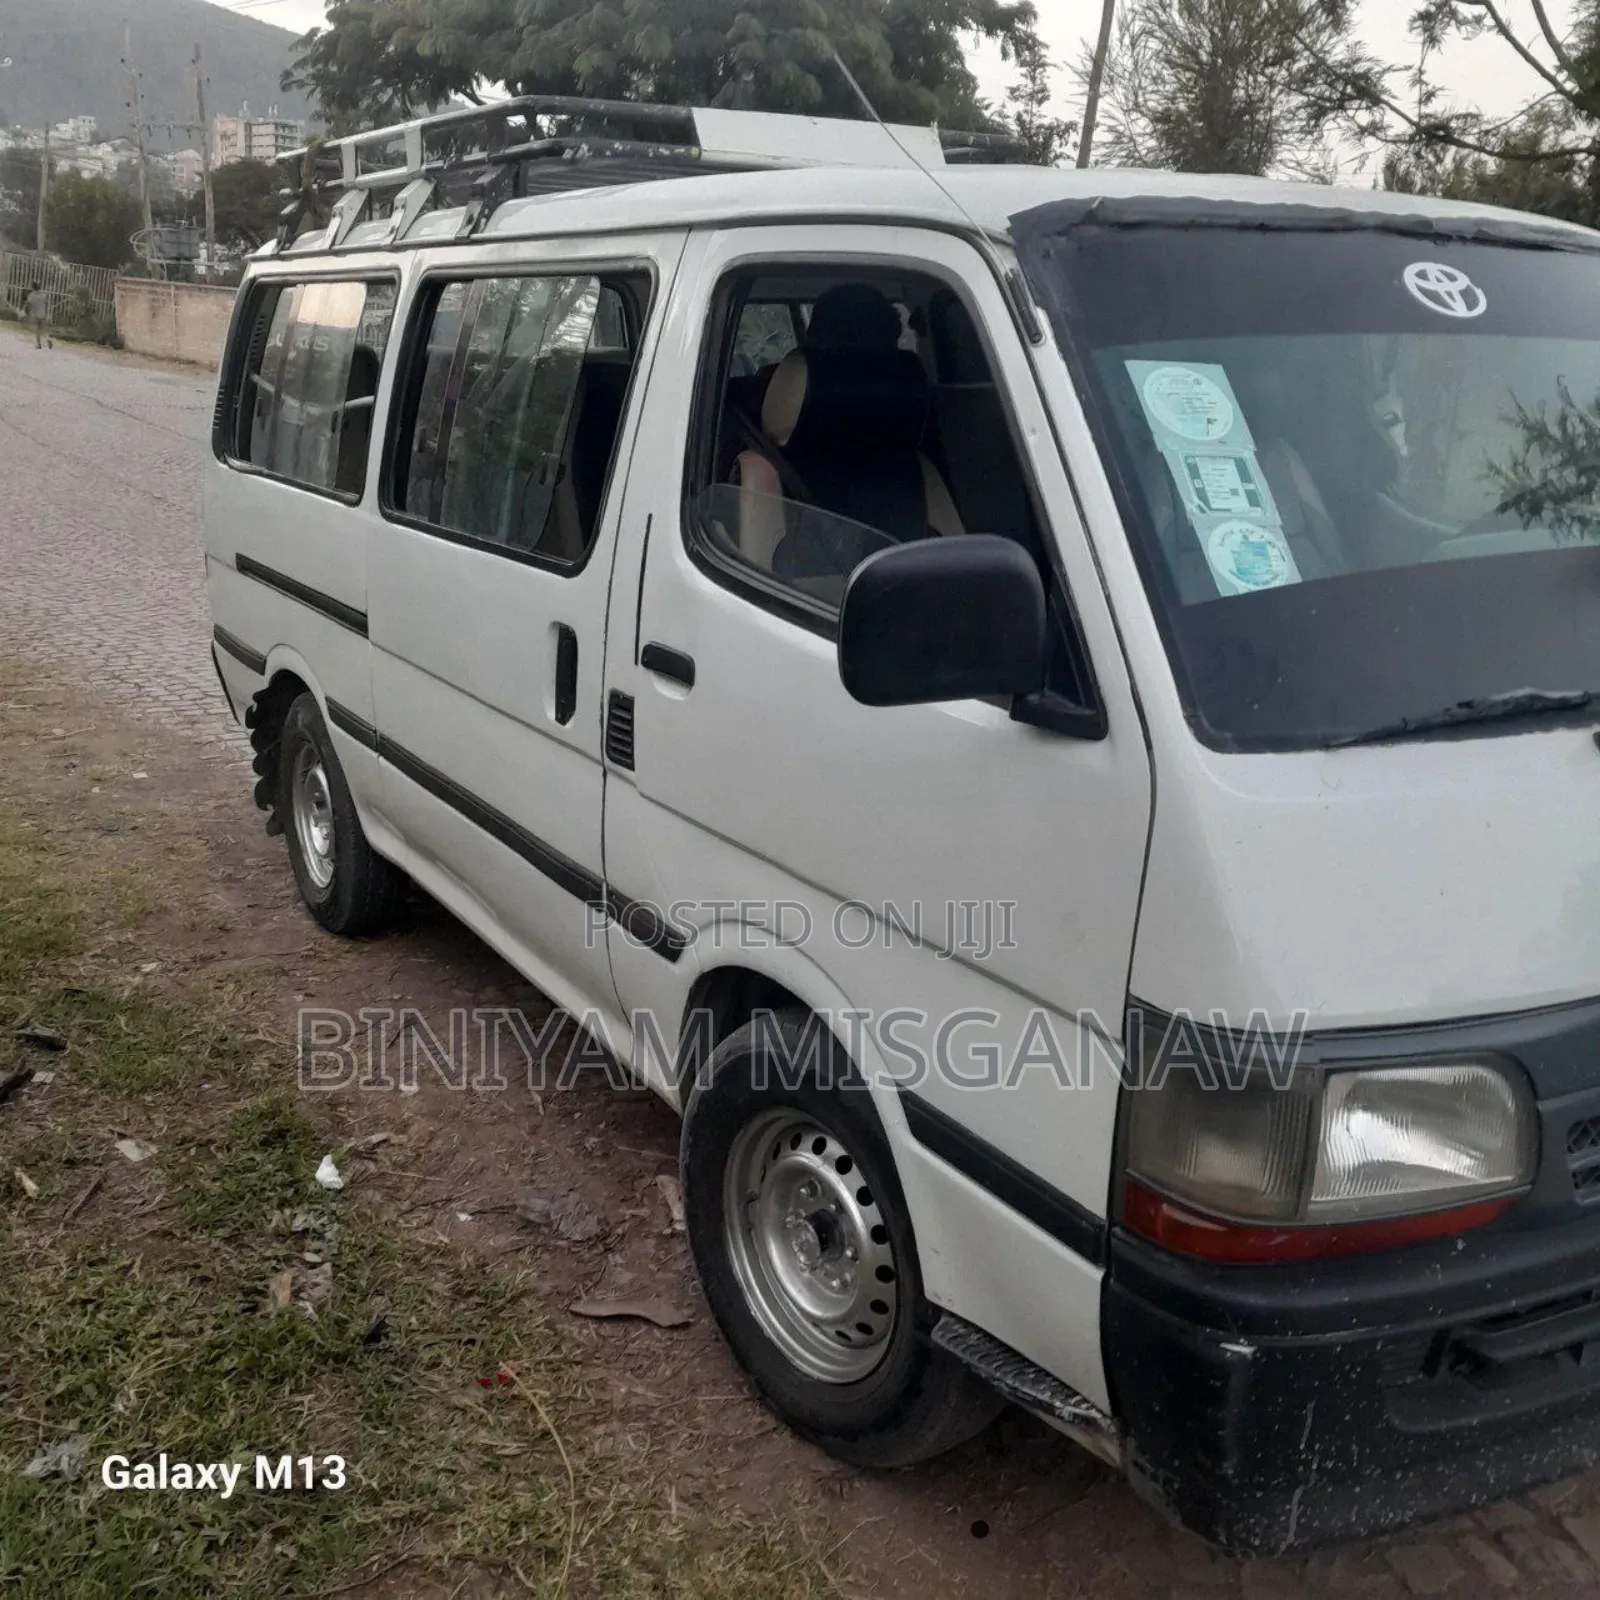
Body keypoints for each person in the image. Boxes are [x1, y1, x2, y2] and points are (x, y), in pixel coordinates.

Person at [23, 281, 50, 349]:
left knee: (37, 329)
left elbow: (28, 305)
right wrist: (45, 312)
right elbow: (46, 304)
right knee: (43, 328)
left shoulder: (31, 295)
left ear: (32, 287)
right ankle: (48, 339)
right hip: (42, 313)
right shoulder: (43, 294)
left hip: (35, 314)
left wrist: (26, 312)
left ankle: (38, 344)